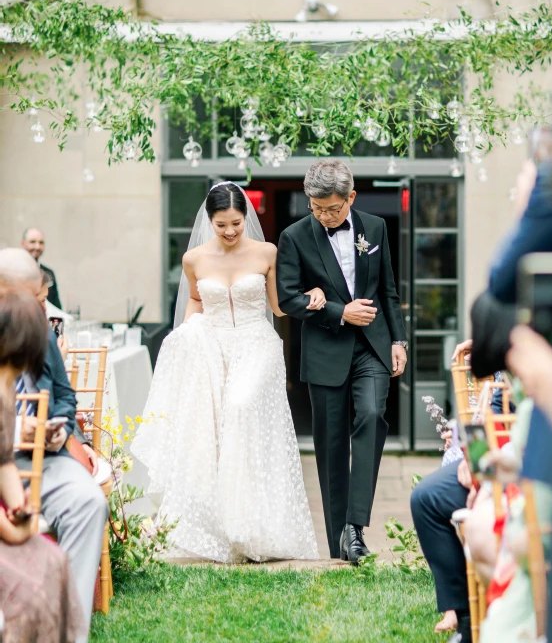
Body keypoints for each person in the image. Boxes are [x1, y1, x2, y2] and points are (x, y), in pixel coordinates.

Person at [132, 182, 323, 562]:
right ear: (210, 221)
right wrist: (185, 335)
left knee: (239, 407)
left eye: (236, 223)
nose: (231, 231)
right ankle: (223, 529)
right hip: (213, 345)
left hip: (257, 343)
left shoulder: (266, 252)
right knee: (214, 433)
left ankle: (251, 526)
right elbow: (196, 300)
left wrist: (311, 295)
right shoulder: (194, 259)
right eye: (222, 225)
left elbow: (279, 306)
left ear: (245, 217)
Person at [276, 159, 408, 562]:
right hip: (325, 351)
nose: (324, 215)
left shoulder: (376, 228)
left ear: (351, 197)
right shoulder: (294, 237)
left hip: (372, 345)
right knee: (330, 446)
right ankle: (342, 545)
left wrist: (399, 338)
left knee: (371, 415)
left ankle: (355, 525)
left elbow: (387, 289)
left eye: (332, 208)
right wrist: (337, 311)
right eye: (317, 208)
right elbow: (287, 298)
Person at [0, 248, 107, 642]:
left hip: (44, 457)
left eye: (39, 300)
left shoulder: (39, 328)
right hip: (5, 460)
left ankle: (68, 633)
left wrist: (60, 431)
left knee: (88, 502)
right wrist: (15, 431)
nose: (38, 311)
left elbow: (64, 395)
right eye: (28, 300)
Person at [21, 226, 62, 309]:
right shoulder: (13, 272)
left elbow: (57, 306)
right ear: (23, 243)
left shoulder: (49, 273)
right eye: (32, 242)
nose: (37, 247)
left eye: (41, 243)